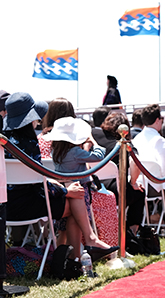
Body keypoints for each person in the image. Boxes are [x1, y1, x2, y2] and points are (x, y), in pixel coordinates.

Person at [3, 93, 113, 265]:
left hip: (6, 208)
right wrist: (64, 191)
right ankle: (79, 253)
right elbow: (36, 184)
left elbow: (34, 179)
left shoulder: (6, 142)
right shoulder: (29, 145)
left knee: (73, 192)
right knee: (75, 195)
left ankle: (78, 251)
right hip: (29, 205)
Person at [45, 116, 119, 263]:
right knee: (76, 221)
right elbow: (98, 156)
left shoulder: (56, 151)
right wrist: (93, 142)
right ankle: (76, 256)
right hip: (79, 189)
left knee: (63, 229)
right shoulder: (74, 152)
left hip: (65, 188)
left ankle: (60, 257)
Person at [130, 104, 165, 223]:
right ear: (157, 120)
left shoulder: (136, 139)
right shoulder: (160, 140)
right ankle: (158, 218)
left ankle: (158, 216)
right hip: (156, 185)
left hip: (140, 183)